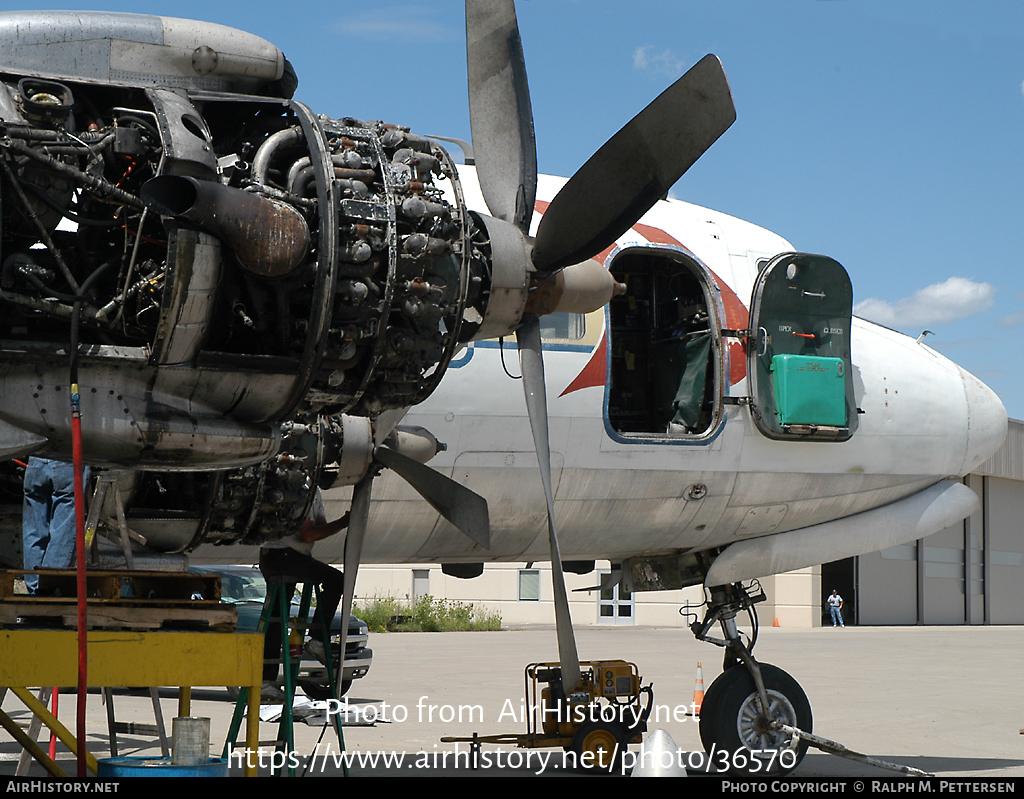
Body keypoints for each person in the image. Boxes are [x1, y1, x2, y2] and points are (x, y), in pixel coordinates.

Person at [258, 489, 349, 680]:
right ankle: (317, 639)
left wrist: (339, 524)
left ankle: (267, 679)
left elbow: (320, 528)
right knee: (336, 580)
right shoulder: (301, 489)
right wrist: (343, 523)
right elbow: (309, 535)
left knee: (277, 615)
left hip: (290, 555)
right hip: (282, 556)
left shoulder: (313, 491)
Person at [22, 457, 88, 595]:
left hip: (35, 462)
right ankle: (47, 591)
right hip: (67, 459)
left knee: (33, 533)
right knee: (63, 532)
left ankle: (34, 591)